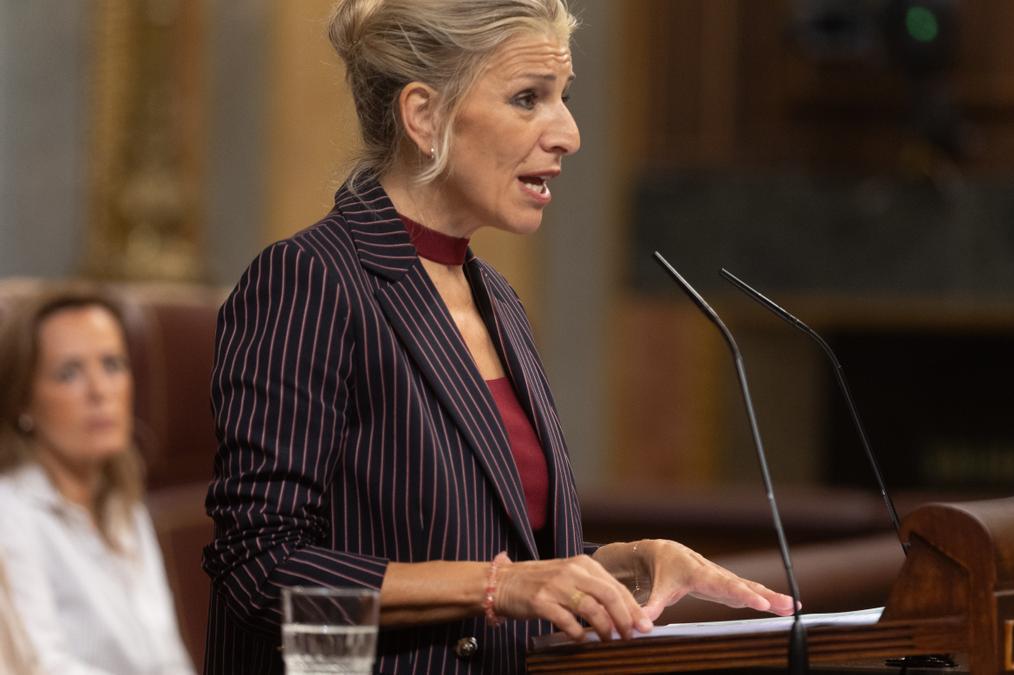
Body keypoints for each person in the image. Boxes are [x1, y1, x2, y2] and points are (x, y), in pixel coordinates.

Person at [202, 1, 798, 672]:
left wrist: (627, 564)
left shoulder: (499, 300)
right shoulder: (311, 279)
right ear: (425, 116)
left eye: (562, 98)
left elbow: (497, 555)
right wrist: (500, 585)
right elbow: (261, 569)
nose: (568, 133)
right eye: (527, 99)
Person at [0, 286, 195, 675]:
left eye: (112, 365)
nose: (100, 391)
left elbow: (168, 659)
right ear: (23, 399)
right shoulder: (10, 512)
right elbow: (40, 667)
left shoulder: (124, 503)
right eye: (69, 373)